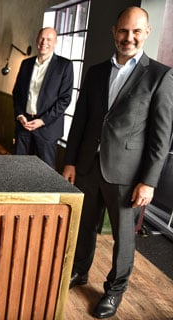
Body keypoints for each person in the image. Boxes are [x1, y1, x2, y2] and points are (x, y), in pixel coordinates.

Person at [63, 7, 173, 318]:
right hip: (87, 166)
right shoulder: (96, 72)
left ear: (147, 33)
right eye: (124, 31)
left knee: (124, 238)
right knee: (84, 226)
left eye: (136, 31)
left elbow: (160, 136)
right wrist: (70, 161)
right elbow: (81, 120)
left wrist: (149, 181)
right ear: (114, 31)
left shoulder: (160, 76)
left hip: (127, 174)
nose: (129, 37)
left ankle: (114, 290)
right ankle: (80, 272)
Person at [13, 27, 73, 169]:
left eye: (49, 39)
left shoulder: (64, 66)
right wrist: (20, 114)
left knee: (44, 174)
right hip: (24, 125)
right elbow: (17, 93)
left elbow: (65, 99)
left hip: (48, 129)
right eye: (41, 38)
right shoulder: (26, 64)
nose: (44, 42)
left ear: (55, 42)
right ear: (36, 40)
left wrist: (42, 120)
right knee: (18, 170)